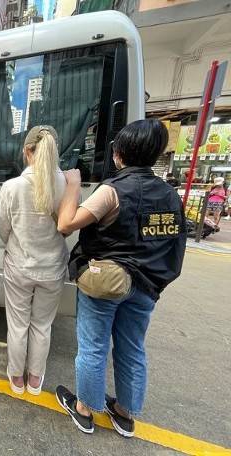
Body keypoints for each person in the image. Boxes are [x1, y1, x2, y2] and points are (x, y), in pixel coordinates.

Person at [54, 119, 186, 437]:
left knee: (94, 346)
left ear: (119, 155)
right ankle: (125, 415)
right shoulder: (170, 195)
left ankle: (85, 409)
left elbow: (66, 224)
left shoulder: (113, 191)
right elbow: (174, 243)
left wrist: (73, 186)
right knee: (132, 348)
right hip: (146, 285)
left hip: (106, 282)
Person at [0, 125, 68, 396]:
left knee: (18, 324)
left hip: (19, 266)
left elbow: (4, 228)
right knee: (42, 325)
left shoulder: (12, 186)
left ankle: (16, 378)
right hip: (52, 269)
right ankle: (36, 379)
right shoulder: (67, 185)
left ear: (27, 151)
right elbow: (68, 224)